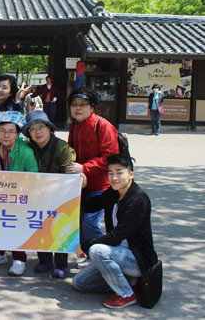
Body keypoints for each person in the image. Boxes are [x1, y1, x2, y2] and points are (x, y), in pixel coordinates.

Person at [73, 154, 158, 309]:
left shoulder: (138, 200)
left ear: (131, 174)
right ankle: (129, 281)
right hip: (117, 253)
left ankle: (126, 294)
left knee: (97, 251)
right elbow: (91, 206)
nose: (114, 177)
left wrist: (84, 246)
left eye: (119, 172)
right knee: (80, 283)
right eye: (110, 173)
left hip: (137, 259)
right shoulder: (114, 192)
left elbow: (115, 237)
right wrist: (84, 188)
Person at [22, 110, 76, 278]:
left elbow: (70, 174)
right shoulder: (28, 146)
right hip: (37, 194)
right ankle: (44, 260)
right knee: (40, 225)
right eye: (32, 129)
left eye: (41, 127)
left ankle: (61, 263)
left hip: (61, 194)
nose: (37, 132)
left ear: (49, 128)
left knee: (60, 228)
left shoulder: (62, 148)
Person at [0, 111, 38, 276]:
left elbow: (34, 176)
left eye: (11, 131)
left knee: (15, 224)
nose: (6, 135)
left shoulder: (26, 152)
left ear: (17, 133)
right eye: (2, 131)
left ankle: (19, 258)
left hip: (19, 196)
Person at [65, 88, 119, 254]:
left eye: (82, 104)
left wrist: (84, 167)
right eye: (74, 104)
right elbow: (71, 151)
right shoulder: (75, 125)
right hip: (81, 184)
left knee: (89, 223)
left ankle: (105, 255)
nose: (77, 108)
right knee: (79, 222)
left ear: (92, 107)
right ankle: (89, 255)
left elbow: (111, 157)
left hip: (101, 185)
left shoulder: (103, 126)